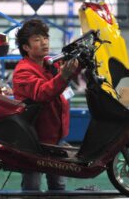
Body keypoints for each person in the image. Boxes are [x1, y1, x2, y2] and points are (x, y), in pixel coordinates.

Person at [12, 19, 79, 191]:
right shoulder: (23, 71)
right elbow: (42, 93)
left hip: (55, 137)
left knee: (58, 185)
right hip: (34, 140)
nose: (44, 42)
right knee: (32, 187)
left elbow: (67, 72)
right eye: (37, 39)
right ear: (26, 47)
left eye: (45, 38)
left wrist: (79, 62)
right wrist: (64, 76)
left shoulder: (50, 63)